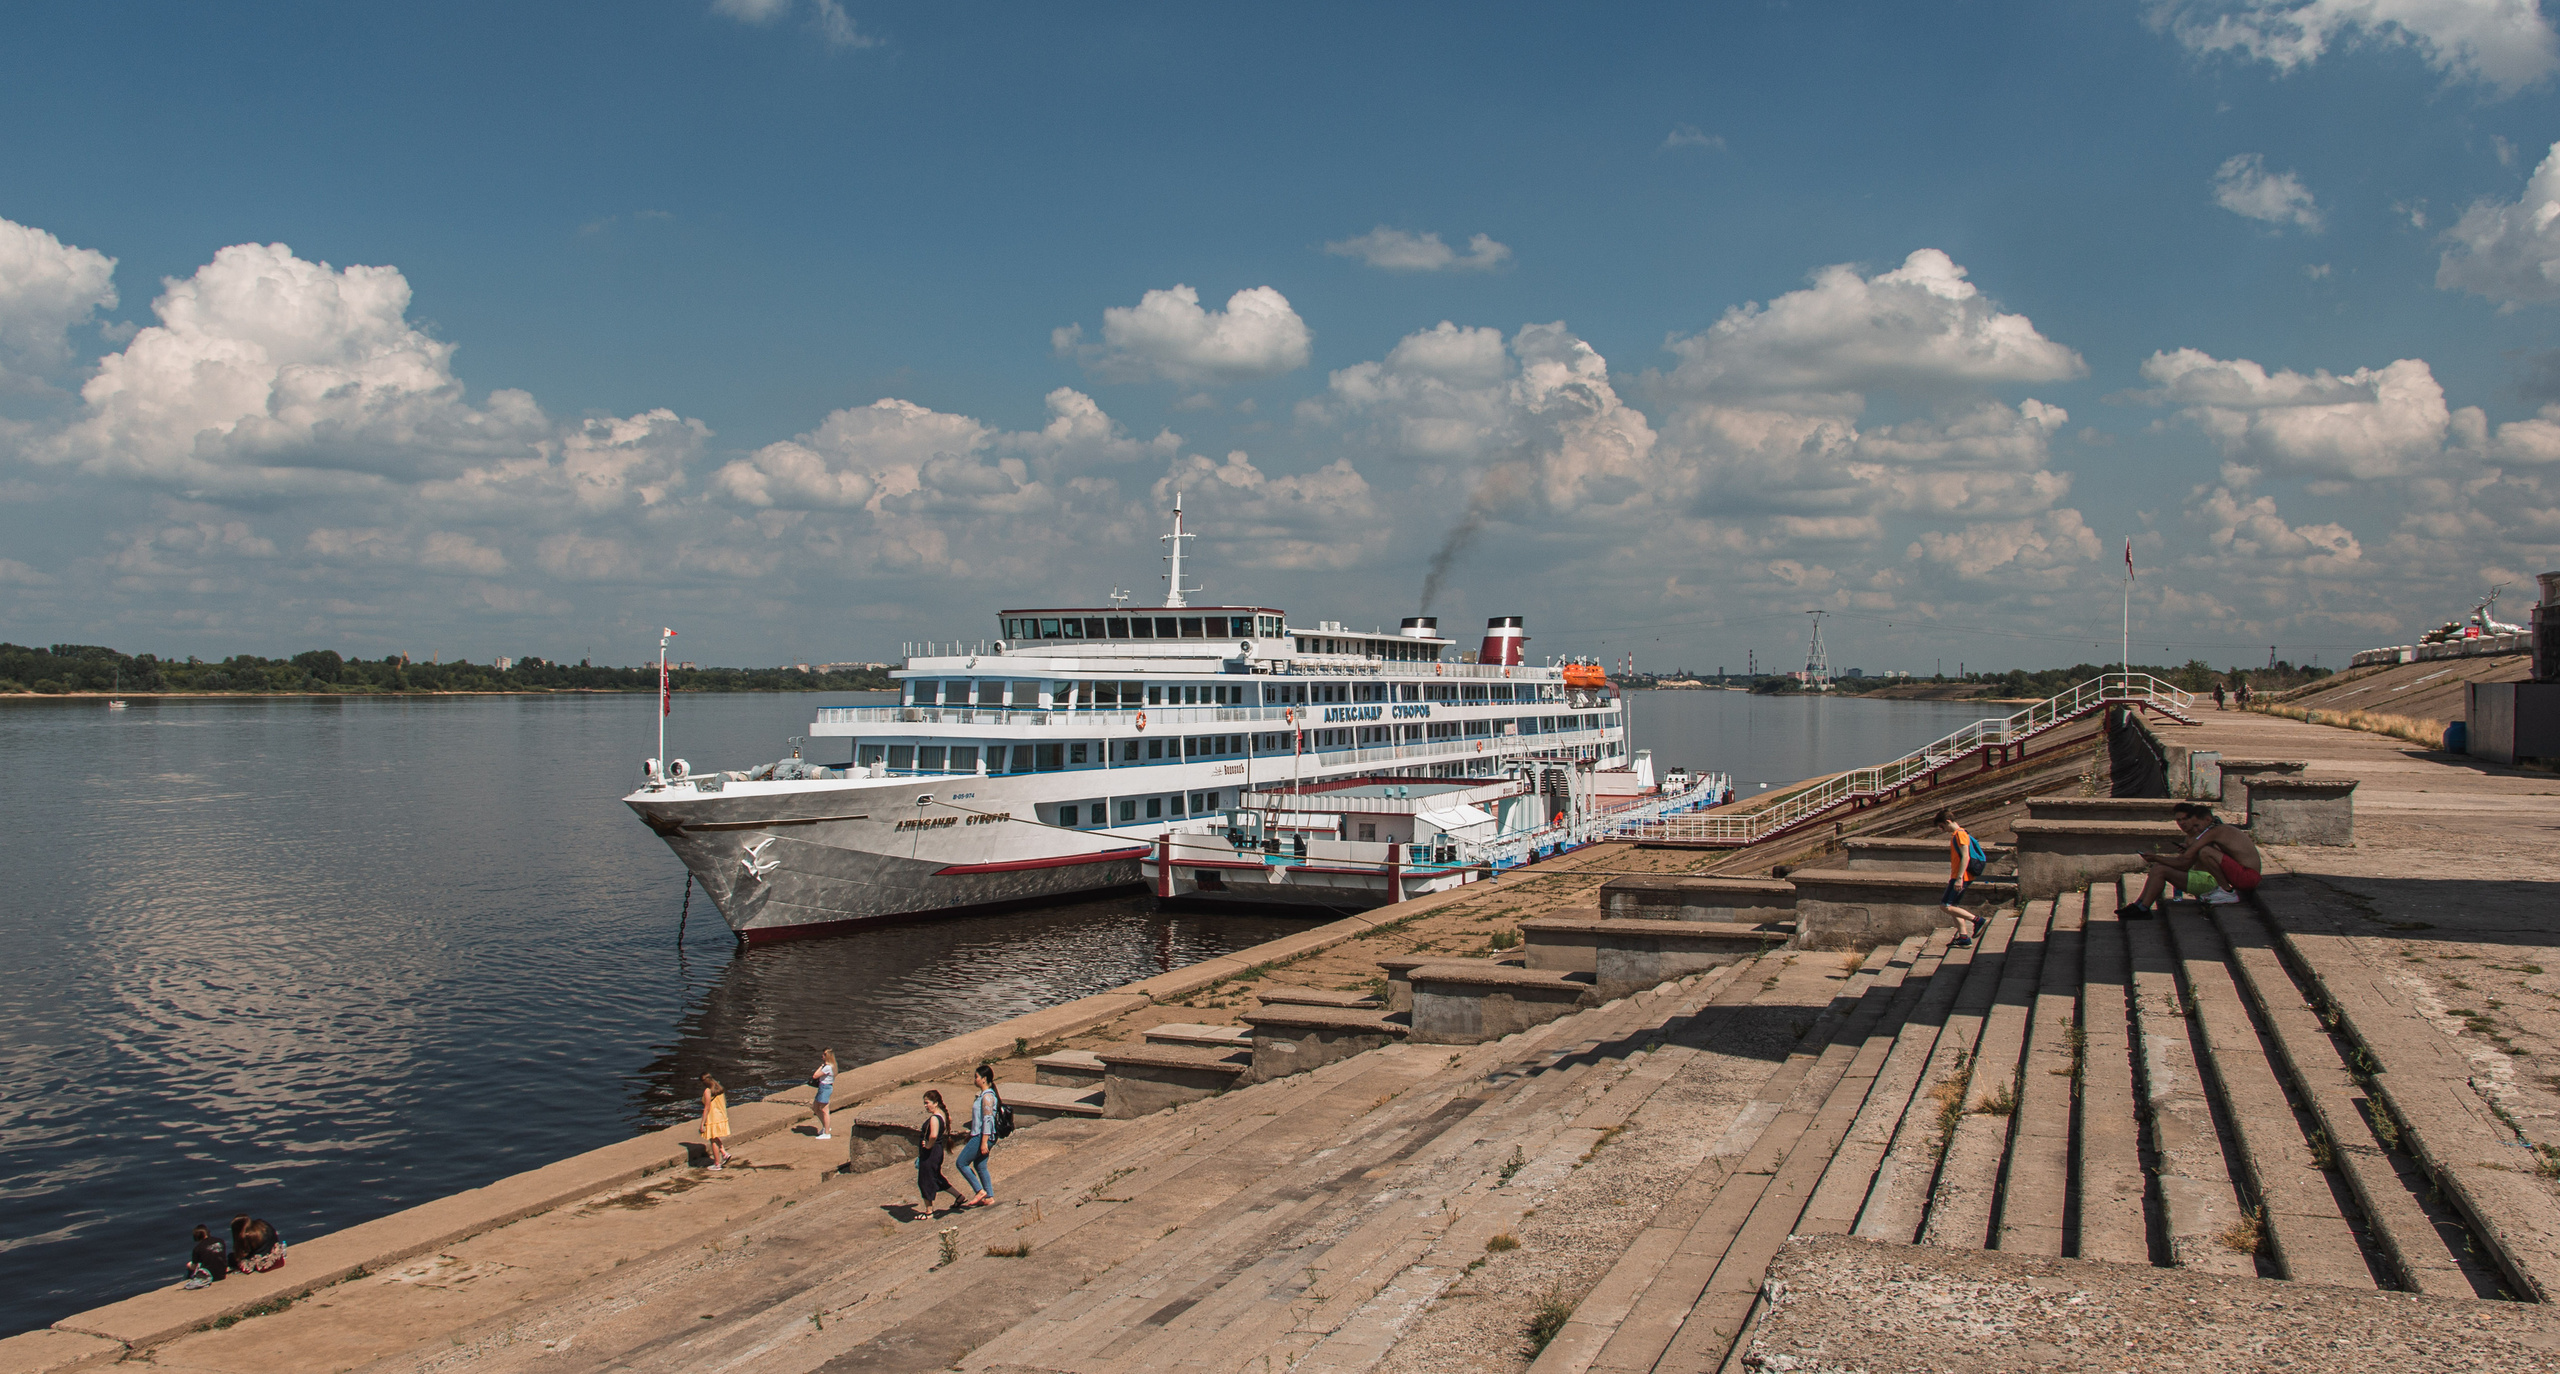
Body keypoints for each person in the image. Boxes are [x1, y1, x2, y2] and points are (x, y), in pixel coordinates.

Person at [2119, 803, 2263, 918]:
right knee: (2159, 868)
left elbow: (2186, 861)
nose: (2193, 828)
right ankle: (2139, 905)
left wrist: (2156, 857)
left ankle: (2226, 891)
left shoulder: (2214, 831)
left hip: (2247, 877)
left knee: (2201, 853)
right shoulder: (2216, 831)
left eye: (2196, 825)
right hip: (2245, 875)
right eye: (2179, 820)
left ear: (2207, 820)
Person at [1935, 808, 1987, 947]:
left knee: (1945, 906)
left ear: (1947, 821)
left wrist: (1959, 878)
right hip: (1959, 875)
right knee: (1953, 906)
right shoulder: (1957, 835)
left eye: (1942, 826)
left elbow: (1966, 857)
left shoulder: (1960, 834)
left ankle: (1977, 920)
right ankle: (1963, 937)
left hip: (1961, 876)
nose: (1942, 830)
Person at [955, 1064, 1000, 1208]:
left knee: (961, 1162)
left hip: (982, 1136)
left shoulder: (987, 1097)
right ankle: (989, 1196)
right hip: (979, 1134)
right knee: (980, 1165)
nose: (975, 1079)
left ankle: (980, 1191)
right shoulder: (983, 1095)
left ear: (984, 1079)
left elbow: (987, 1120)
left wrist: (983, 1142)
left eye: (976, 1077)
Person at [916, 1090, 966, 1214]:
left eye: (927, 1103)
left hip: (931, 1153)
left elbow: (933, 1136)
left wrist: (928, 1146)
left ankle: (929, 1211)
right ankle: (959, 1196)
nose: (925, 1106)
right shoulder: (943, 1115)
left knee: (925, 1179)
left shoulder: (934, 1118)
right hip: (937, 1152)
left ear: (936, 1103)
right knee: (937, 1177)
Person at [701, 1073, 732, 1169]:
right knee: (715, 1136)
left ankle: (717, 1163)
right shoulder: (719, 1088)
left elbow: (707, 1108)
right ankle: (724, 1153)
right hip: (721, 1116)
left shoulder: (708, 1091)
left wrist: (702, 1124)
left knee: (712, 1139)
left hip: (712, 1118)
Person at [810, 1050, 836, 1141]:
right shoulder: (831, 1066)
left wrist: (821, 1066)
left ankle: (827, 1133)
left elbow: (815, 1075)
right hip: (823, 1088)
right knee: (815, 1107)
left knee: (825, 1110)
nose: (822, 1056)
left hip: (825, 1088)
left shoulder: (827, 1067)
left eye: (824, 1055)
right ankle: (826, 1127)